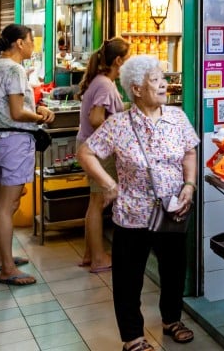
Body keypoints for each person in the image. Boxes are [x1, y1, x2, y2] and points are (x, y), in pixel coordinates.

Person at [78, 55, 198, 351]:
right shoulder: (118, 124)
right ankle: (133, 337)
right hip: (133, 214)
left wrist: (190, 184)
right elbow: (85, 152)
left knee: (173, 270)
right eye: (155, 79)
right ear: (137, 88)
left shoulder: (177, 117)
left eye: (163, 78)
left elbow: (190, 153)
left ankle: (172, 320)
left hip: (172, 210)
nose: (163, 84)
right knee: (128, 279)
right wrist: (108, 184)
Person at [0, 24, 55, 286]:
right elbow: (16, 111)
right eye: (31, 40)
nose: (33, 45)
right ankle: (8, 269)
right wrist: (42, 116)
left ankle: (0, 258)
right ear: (19, 44)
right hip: (13, 139)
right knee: (7, 204)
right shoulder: (13, 69)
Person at [77, 37, 130, 273]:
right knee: (98, 203)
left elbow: (106, 112)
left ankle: (91, 254)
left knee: (93, 203)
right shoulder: (105, 84)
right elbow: (97, 119)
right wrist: (117, 134)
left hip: (91, 148)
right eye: (127, 60)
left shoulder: (100, 82)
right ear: (118, 60)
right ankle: (98, 258)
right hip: (98, 152)